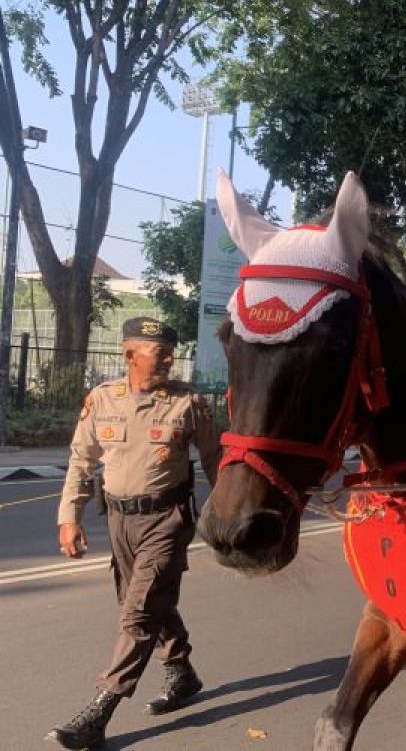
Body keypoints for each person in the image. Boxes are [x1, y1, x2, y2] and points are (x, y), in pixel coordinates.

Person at [47, 318, 220, 750]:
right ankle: (182, 672)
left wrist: (227, 516)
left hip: (168, 519)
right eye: (158, 353)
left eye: (170, 352)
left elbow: (217, 459)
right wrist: (70, 517)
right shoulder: (102, 400)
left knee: (138, 613)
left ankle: (100, 709)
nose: (168, 360)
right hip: (119, 521)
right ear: (129, 355)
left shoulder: (188, 403)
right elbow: (81, 461)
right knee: (141, 600)